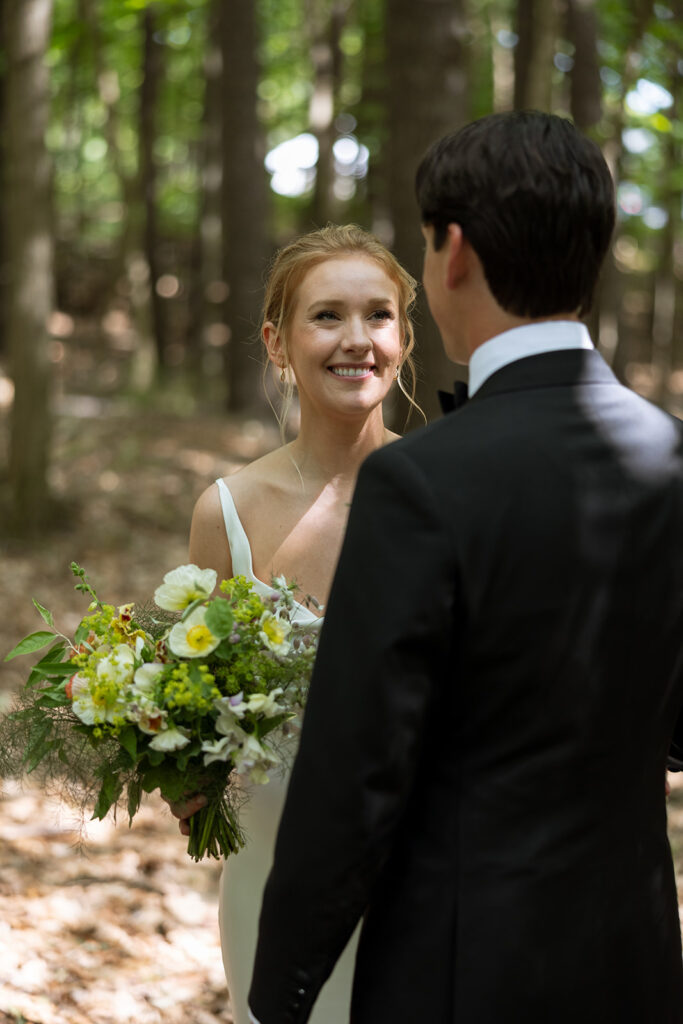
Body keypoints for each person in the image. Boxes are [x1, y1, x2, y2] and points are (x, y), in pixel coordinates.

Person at [247, 111, 683, 1024]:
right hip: (635, 961)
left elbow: (356, 775)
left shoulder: (419, 480)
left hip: (460, 970)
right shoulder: (670, 454)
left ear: (453, 254)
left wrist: (284, 986)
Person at [171, 224, 420, 1024]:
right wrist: (182, 773)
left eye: (377, 316)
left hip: (425, 882)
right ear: (277, 344)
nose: (357, 340)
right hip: (272, 880)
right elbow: (192, 704)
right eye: (327, 317)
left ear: (404, 338)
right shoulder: (228, 515)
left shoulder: (450, 496)